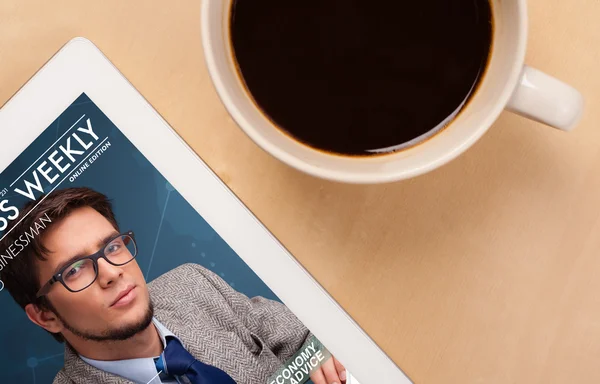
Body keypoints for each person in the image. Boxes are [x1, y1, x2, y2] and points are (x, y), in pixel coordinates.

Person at [0, 187, 346, 384]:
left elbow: (303, 336)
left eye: (112, 247)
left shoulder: (191, 283)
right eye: (75, 270)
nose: (110, 273)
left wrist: (318, 357)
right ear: (45, 316)